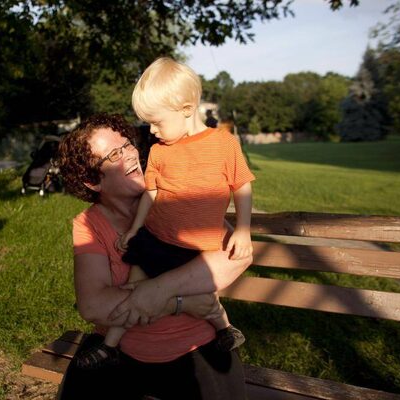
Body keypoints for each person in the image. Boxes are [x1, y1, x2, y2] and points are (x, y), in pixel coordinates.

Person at [74, 57, 255, 371]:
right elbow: (152, 192)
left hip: (196, 247)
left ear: (186, 109)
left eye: (156, 122)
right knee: (137, 285)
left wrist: (242, 229)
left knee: (204, 297)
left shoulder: (224, 145)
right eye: (149, 124)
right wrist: (136, 230)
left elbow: (241, 186)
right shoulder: (160, 151)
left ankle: (225, 329)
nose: (152, 131)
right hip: (156, 237)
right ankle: (110, 345)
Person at [56, 113, 252, 399]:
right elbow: (93, 305)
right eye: (114, 154)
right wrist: (181, 302)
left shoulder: (173, 197)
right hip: (120, 352)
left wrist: (159, 290)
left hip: (194, 348)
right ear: (92, 181)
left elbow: (237, 257)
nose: (131, 154)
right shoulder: (89, 225)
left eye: (127, 144)